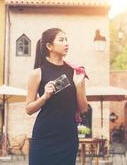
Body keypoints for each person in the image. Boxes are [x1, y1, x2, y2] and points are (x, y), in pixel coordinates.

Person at [25, 28, 89, 165]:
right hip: (44, 137)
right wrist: (44, 97)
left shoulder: (76, 72)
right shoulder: (37, 73)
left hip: (68, 137)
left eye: (66, 39)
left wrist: (78, 86)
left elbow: (83, 108)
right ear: (49, 46)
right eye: (61, 40)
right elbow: (28, 109)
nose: (66, 43)